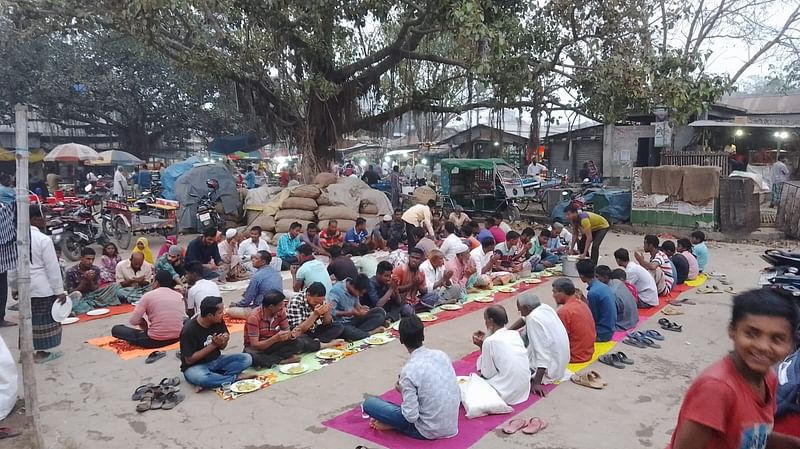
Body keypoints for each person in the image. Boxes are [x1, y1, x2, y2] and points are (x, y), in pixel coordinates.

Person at [667, 289, 800, 449]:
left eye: (777, 339)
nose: (763, 346)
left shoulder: (768, 379)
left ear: (792, 344)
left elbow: (751, 435)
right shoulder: (716, 389)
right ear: (732, 330)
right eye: (751, 334)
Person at [362, 315, 460, 440]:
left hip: (427, 430)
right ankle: (392, 422)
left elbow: (411, 416)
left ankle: (395, 425)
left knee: (369, 404)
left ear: (401, 340)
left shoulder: (409, 370)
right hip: (450, 424)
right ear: (423, 336)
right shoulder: (441, 355)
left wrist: (403, 391)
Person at [8, 205, 66, 362]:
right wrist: (59, 290)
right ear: (34, 219)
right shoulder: (43, 240)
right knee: (43, 322)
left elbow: (12, 266)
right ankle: (41, 353)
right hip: (42, 288)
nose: (45, 221)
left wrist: (14, 286)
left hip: (25, 287)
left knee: (26, 321)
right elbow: (52, 267)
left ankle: (25, 354)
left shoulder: (16, 239)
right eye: (43, 218)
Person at [243, 290, 340, 368]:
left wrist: (292, 335)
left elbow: (287, 332)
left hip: (273, 344)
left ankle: (269, 361)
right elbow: (255, 345)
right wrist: (275, 338)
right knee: (250, 356)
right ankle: (279, 360)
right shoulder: (254, 317)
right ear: (271, 307)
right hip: (257, 348)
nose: (283, 308)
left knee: (299, 342)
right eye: (280, 306)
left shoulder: (280, 312)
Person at [180, 296, 255, 390]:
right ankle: (234, 378)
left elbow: (222, 347)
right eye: (220, 312)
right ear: (210, 316)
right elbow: (189, 360)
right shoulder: (189, 330)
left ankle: (216, 379)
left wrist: (224, 340)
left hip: (216, 360)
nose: (223, 314)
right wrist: (213, 345)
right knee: (202, 378)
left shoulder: (218, 321)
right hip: (195, 366)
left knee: (246, 358)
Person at [507, 291, 570, 396]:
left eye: (519, 309)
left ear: (527, 308)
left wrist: (536, 383)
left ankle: (536, 376)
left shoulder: (533, 319)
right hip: (561, 361)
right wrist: (507, 332)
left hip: (551, 368)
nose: (518, 310)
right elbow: (523, 319)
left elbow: (542, 354)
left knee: (511, 367)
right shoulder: (544, 307)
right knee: (523, 335)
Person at [111, 270, 185, 348]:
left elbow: (133, 321)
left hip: (155, 340)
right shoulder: (178, 295)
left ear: (156, 282)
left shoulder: (148, 296)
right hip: (177, 337)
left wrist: (142, 322)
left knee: (116, 329)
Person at [473, 306, 530, 406]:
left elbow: (486, 374)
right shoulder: (514, 334)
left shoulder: (490, 341)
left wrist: (482, 346)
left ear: (490, 321)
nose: (485, 323)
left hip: (506, 393)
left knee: (470, 386)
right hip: (523, 390)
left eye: (485, 320)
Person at [328, 274, 387, 340]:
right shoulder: (336, 291)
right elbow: (331, 311)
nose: (361, 295)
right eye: (360, 293)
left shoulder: (355, 288)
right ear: (353, 286)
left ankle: (358, 333)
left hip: (354, 319)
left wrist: (361, 308)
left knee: (379, 312)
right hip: (343, 323)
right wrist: (349, 313)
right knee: (346, 330)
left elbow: (357, 305)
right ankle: (369, 332)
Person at [551, 278, 596, 363]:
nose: (553, 296)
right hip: (587, 353)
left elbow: (559, 339)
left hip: (575, 355)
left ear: (563, 293)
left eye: (555, 292)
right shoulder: (582, 304)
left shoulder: (564, 311)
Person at [65, 247, 121, 314]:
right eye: (88, 259)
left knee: (114, 286)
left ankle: (93, 303)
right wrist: (84, 280)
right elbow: (71, 293)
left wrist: (90, 280)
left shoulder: (95, 269)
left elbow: (95, 289)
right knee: (79, 300)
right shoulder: (70, 271)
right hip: (80, 297)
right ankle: (88, 305)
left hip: (94, 295)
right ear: (81, 258)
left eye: (92, 259)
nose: (90, 262)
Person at [229, 251, 283, 318]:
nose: (253, 260)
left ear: (263, 262)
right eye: (253, 258)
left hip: (263, 310)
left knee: (230, 311)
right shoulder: (276, 273)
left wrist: (236, 304)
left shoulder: (257, 276)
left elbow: (247, 300)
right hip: (278, 306)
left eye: (256, 258)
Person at [576, 259, 616, 342]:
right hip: (610, 328)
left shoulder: (593, 293)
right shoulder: (602, 286)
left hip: (602, 333)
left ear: (582, 276)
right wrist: (582, 298)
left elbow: (592, 317)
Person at [595, 265, 639, 331]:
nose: (595, 279)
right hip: (633, 319)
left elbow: (608, 315)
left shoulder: (610, 293)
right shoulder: (617, 282)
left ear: (605, 277)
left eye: (597, 277)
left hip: (622, 324)